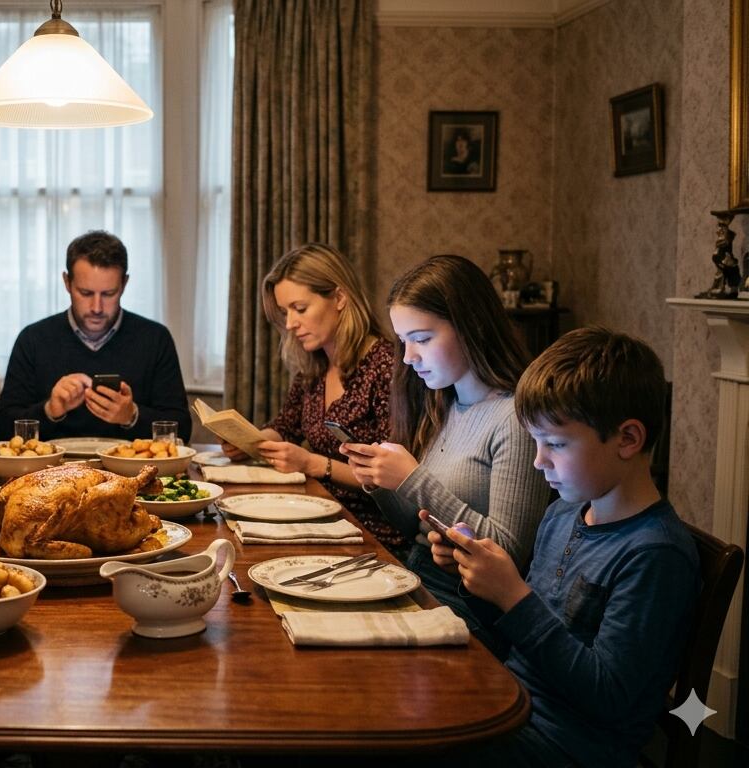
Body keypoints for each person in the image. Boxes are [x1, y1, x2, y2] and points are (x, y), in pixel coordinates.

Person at [428, 327, 699, 767]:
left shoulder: (655, 555)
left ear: (628, 439)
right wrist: (472, 577)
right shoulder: (561, 515)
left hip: (570, 747)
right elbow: (522, 641)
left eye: (555, 443)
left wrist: (513, 596)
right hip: (512, 710)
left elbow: (608, 695)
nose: (539, 461)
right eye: (536, 441)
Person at [341, 254, 545, 652]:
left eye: (421, 339)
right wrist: (381, 484)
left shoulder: (513, 417)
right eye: (404, 342)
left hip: (469, 609)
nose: (407, 357)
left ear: (472, 326)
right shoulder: (448, 404)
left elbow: (508, 554)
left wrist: (413, 479)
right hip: (417, 577)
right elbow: (416, 530)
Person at [221, 243, 406, 552]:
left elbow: (390, 479)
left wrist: (312, 463)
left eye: (300, 308)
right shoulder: (315, 366)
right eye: (285, 312)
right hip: (321, 516)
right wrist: (248, 441)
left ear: (340, 298)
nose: (291, 324)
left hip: (371, 533)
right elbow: (286, 426)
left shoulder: (385, 366)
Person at [0, 230, 191, 441]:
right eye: (85, 293)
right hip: (51, 472)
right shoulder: (33, 339)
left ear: (124, 284)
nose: (96, 307)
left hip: (132, 472)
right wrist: (50, 410)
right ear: (67, 283)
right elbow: (1, 428)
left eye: (108, 294)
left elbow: (181, 430)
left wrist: (131, 416)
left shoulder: (155, 339)